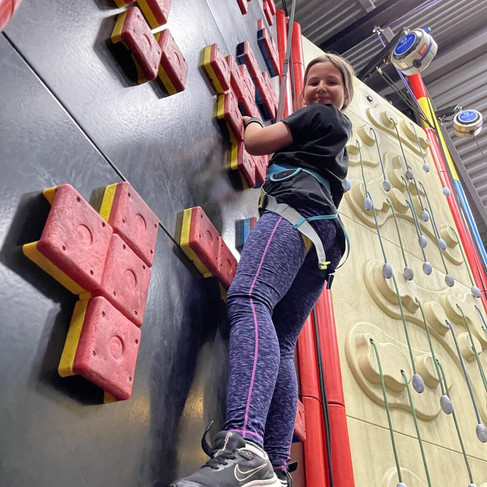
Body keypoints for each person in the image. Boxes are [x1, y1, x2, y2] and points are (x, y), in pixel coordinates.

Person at [170, 52, 355, 487]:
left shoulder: (319, 117)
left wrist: (251, 121)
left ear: (344, 97)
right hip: (322, 244)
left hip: (295, 215)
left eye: (332, 82)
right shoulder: (334, 143)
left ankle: (245, 448)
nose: (321, 89)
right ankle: (271, 470)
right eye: (313, 82)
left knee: (249, 299)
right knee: (284, 341)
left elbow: (256, 142)